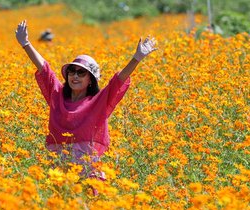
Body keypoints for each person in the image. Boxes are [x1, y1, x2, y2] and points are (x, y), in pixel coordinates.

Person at [15, 20, 157, 186]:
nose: (75, 76)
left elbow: (118, 81)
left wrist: (136, 58)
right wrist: (26, 44)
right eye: (72, 71)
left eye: (82, 73)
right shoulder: (57, 96)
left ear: (91, 80)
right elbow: (44, 69)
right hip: (58, 170)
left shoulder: (97, 102)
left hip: (86, 173)